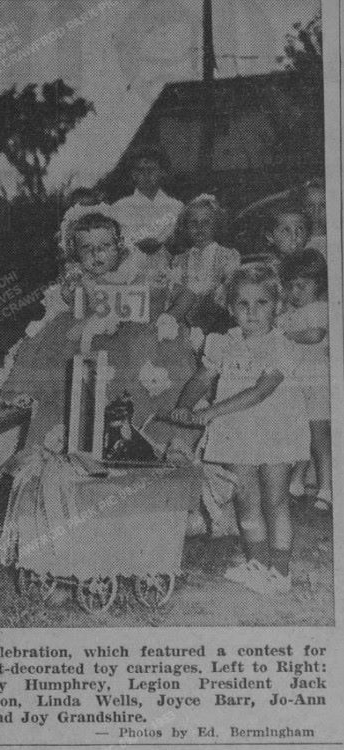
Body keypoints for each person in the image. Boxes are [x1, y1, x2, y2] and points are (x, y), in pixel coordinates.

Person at [3, 208, 195, 449]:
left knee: (142, 381)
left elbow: (185, 294)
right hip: (85, 341)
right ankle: (69, 436)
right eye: (86, 248)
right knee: (64, 375)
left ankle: (141, 439)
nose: (97, 254)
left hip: (134, 340)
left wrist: (170, 316)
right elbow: (89, 305)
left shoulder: (137, 272)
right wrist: (78, 289)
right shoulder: (77, 278)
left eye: (105, 245)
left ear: (119, 247)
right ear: (75, 252)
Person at [172, 264, 309, 594]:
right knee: (246, 498)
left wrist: (211, 413)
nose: (251, 312)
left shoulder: (280, 346)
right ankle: (258, 562)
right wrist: (185, 406)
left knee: (274, 500)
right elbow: (201, 379)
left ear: (276, 306)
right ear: (230, 308)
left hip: (276, 431)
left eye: (261, 303)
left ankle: (281, 571)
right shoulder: (222, 343)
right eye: (242, 304)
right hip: (237, 433)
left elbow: (261, 391)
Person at [278, 250, 331, 511]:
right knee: (300, 433)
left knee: (319, 435)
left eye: (303, 285)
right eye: (290, 286)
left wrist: (287, 336)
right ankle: (296, 480)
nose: (295, 291)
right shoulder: (289, 314)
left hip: (317, 380)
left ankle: (326, 487)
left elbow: (315, 335)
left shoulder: (318, 309)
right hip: (296, 382)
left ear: (318, 284)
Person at [167, 194, 240, 334]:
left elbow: (229, 287)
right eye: (193, 223)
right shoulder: (179, 260)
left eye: (206, 222)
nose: (199, 228)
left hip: (217, 323)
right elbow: (175, 294)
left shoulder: (228, 256)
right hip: (185, 324)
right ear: (185, 227)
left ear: (216, 225)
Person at [112, 145, 183, 258]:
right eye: (140, 170)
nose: (146, 175)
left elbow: (180, 243)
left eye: (151, 170)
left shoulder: (176, 207)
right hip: (131, 268)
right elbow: (116, 246)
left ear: (162, 172)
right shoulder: (120, 207)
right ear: (133, 174)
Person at [301, 178, 327, 255]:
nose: (316, 211)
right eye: (310, 205)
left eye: (323, 205)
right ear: (303, 208)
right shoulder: (297, 241)